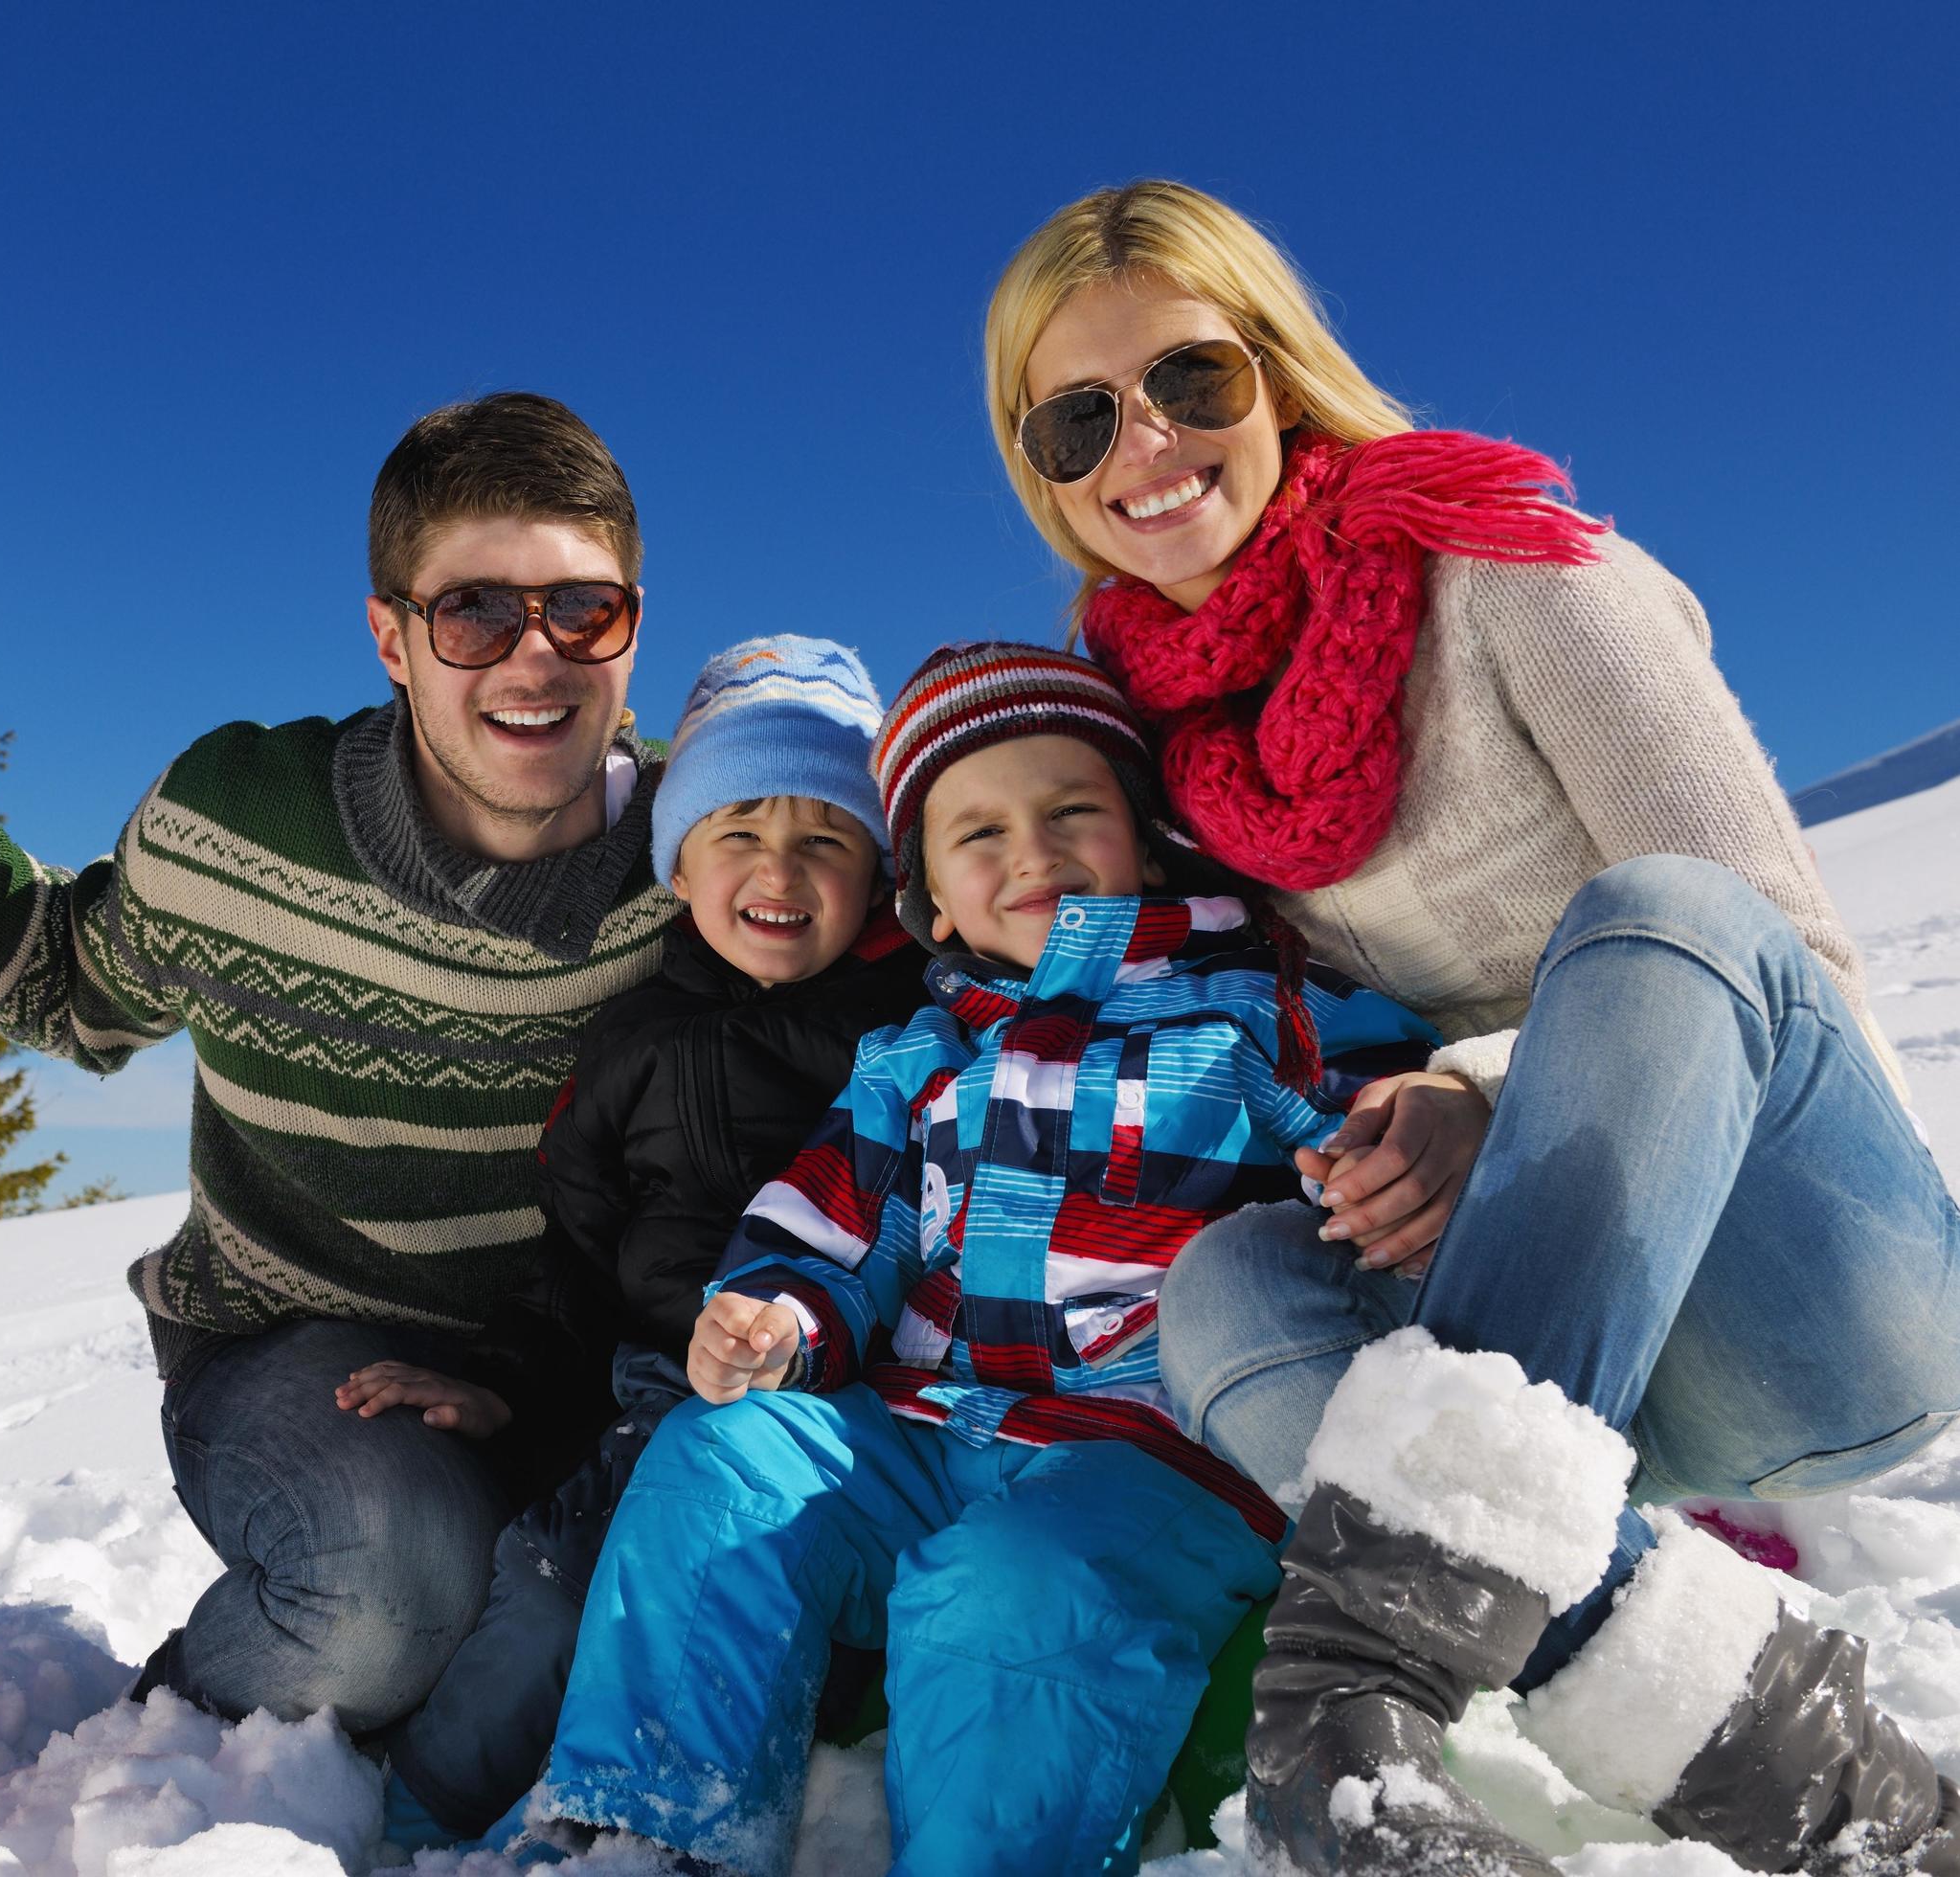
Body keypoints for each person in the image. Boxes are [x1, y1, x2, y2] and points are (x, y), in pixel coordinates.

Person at [981, 179, 1960, 1875]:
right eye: (1081, 418)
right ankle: (1818, 1780)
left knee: (1661, 911)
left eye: (1192, 383)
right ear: (1044, 470)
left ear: (1279, 375)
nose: (1145, 446)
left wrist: (1476, 1091)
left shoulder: (1514, 570)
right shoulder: (1177, 743)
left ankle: (1351, 1691)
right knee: (1224, 1289)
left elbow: (1772, 946)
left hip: (1811, 1283)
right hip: (1584, 1392)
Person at [0, 392, 683, 1736]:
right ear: (392, 638)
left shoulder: (706, 865)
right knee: (386, 1596)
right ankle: (156, 1781)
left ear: (633, 623)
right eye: (473, 613)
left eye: (580, 611)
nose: (532, 660)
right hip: (297, 1344)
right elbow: (76, 987)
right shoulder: (243, 822)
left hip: (572, 1370)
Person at [527, 646, 1444, 1877]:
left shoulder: (1256, 1009)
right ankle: (648, 1833)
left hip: (1149, 1455)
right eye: (979, 834)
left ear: (1146, 839)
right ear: (934, 904)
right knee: (721, 1459)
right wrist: (776, 1316)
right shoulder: (921, 1054)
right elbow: (838, 1223)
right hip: (926, 1427)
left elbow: (1383, 1110)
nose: (1033, 851)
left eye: (1073, 811)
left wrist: (1406, 1132)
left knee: (1013, 1591)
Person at [373, 635, 930, 1846]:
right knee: (557, 1583)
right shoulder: (633, 1042)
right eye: (737, 831)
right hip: (660, 1385)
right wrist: (503, 1385)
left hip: (866, 1401)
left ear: (883, 871)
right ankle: (415, 1813)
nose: (779, 868)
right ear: (679, 862)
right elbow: (575, 1256)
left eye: (827, 838)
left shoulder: (919, 1025)